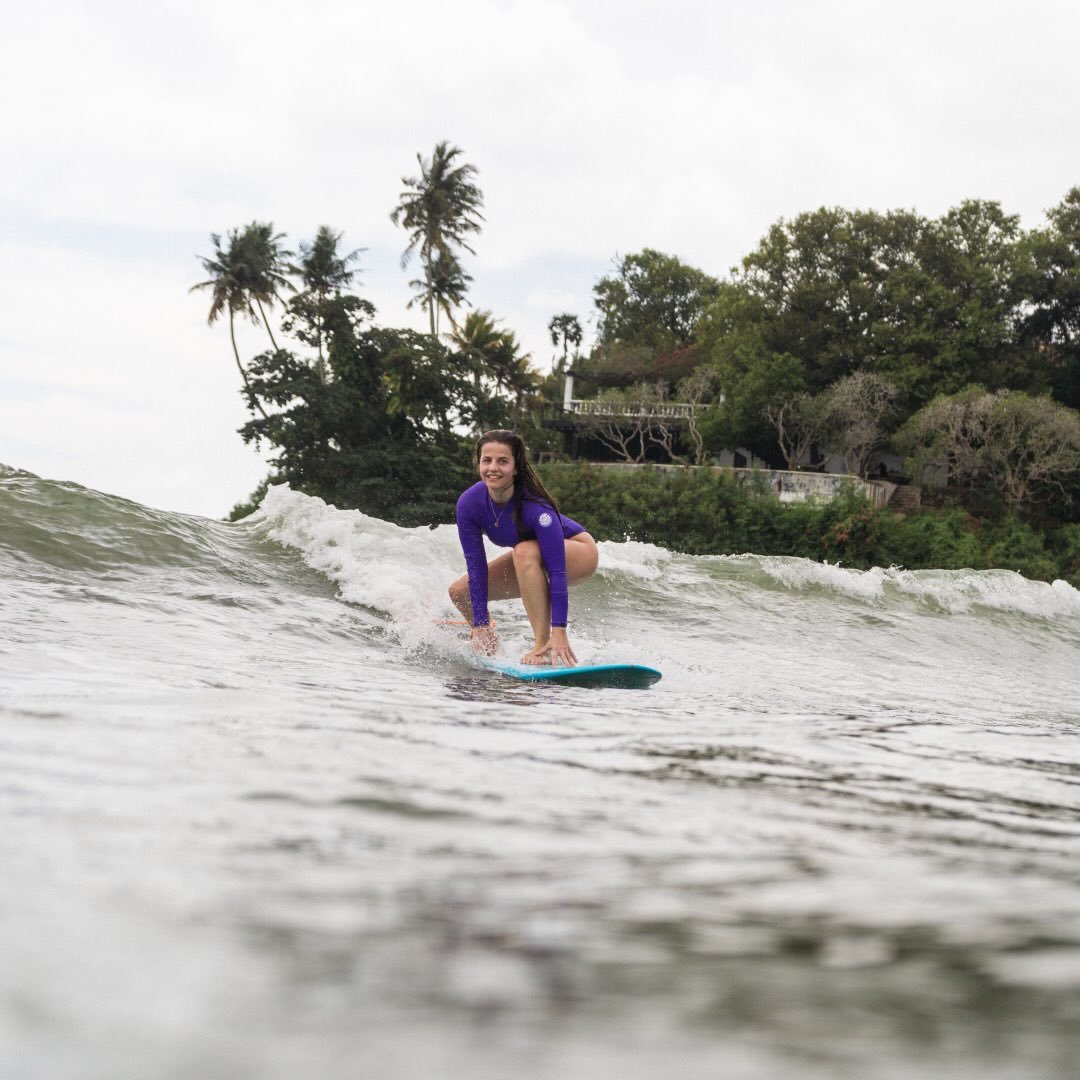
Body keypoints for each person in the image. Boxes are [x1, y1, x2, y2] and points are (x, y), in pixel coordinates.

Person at [449, 429, 598, 666]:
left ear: (516, 467)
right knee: (460, 592)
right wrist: (480, 624)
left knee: (524, 551)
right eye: (487, 460)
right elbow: (476, 567)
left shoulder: (537, 509)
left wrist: (559, 631)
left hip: (579, 551)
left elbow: (557, 573)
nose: (493, 468)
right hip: (532, 555)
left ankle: (543, 647)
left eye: (502, 461)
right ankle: (487, 638)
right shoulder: (469, 504)